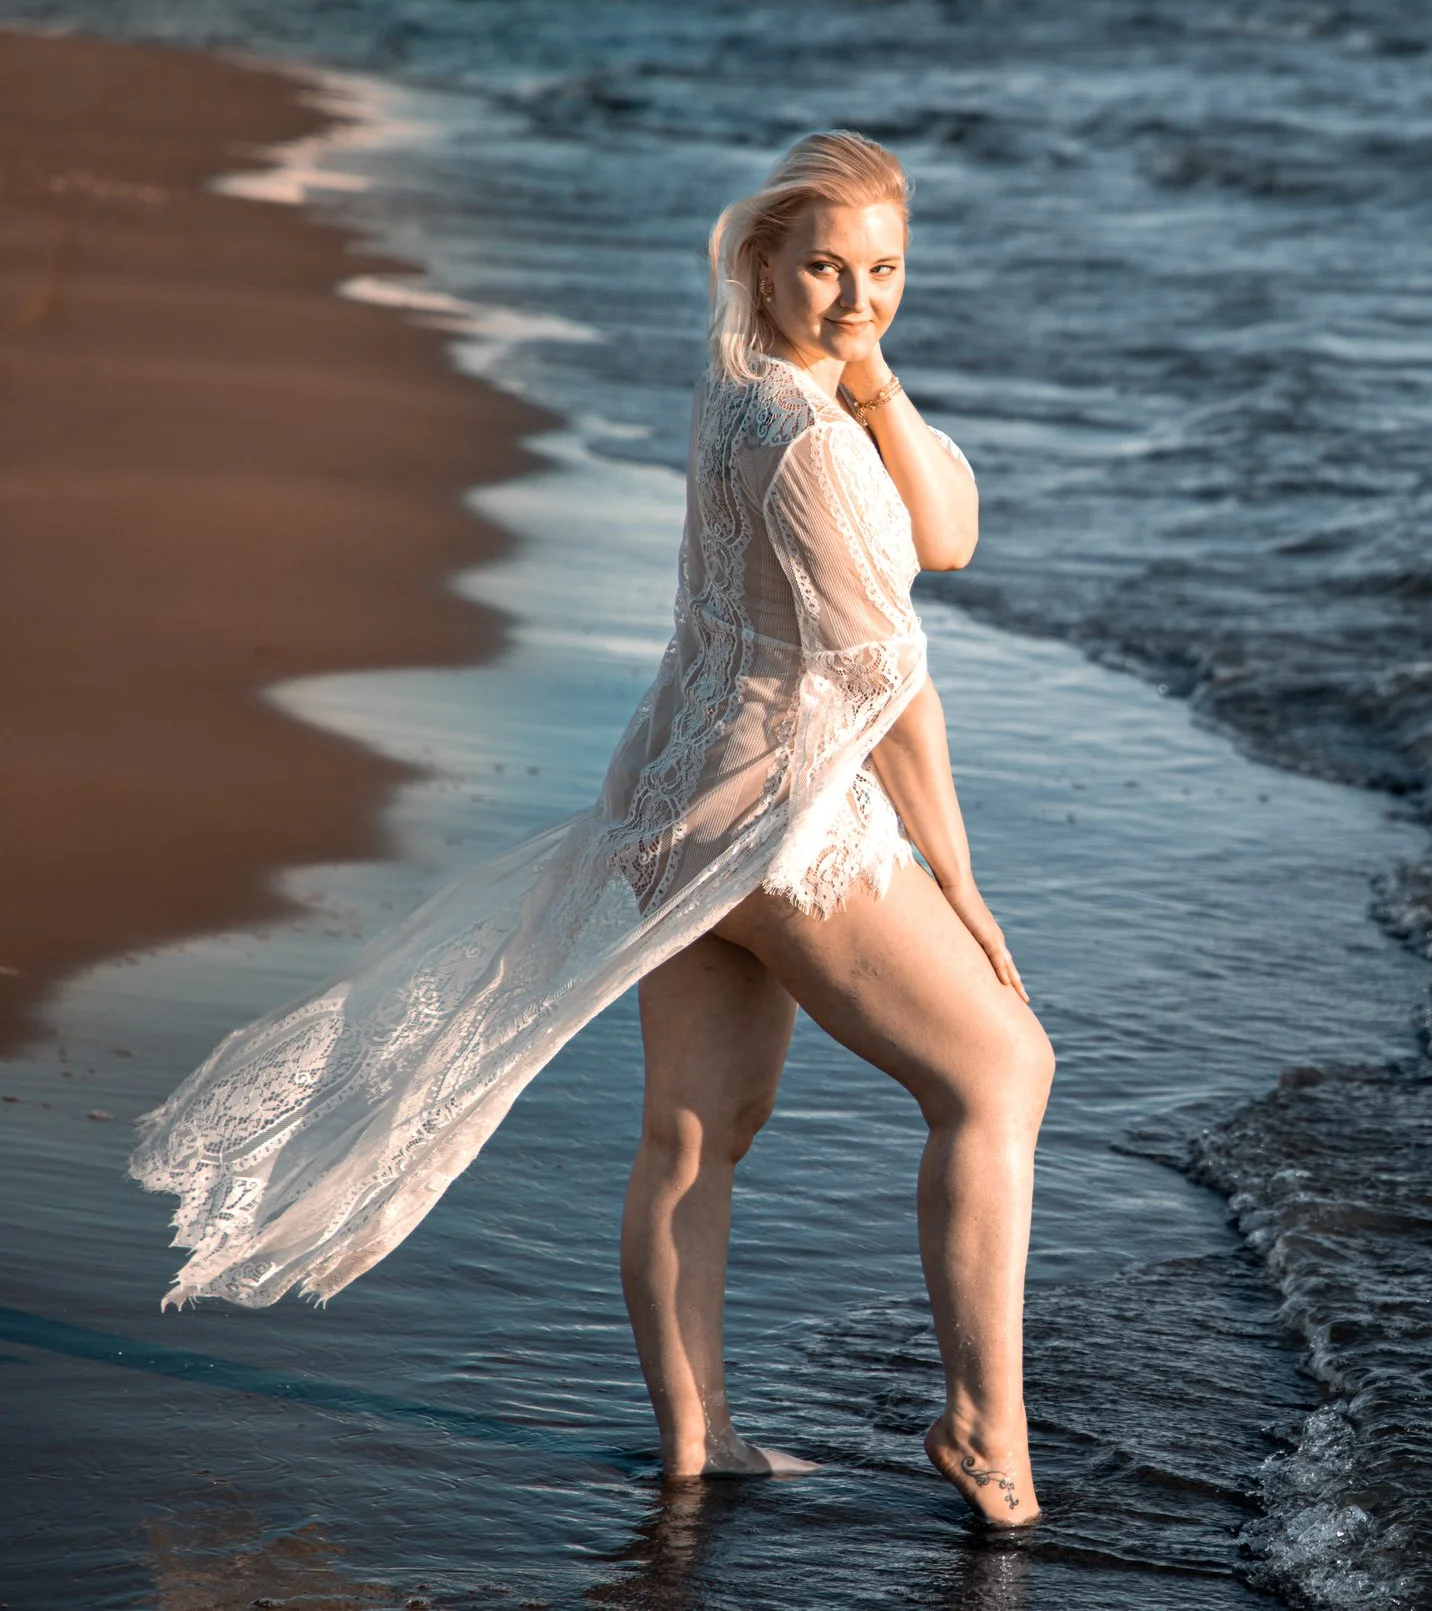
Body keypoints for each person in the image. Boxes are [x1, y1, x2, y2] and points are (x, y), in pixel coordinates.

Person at [131, 132, 1052, 1526]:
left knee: (697, 1129)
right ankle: (985, 1428)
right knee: (1001, 1072)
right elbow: (890, 684)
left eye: (886, 271)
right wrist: (960, 884)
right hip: (780, 817)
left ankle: (699, 1444)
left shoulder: (744, 388)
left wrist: (871, 373)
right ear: (764, 263)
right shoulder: (809, 445)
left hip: (672, 801)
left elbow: (946, 533)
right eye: (827, 269)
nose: (860, 297)